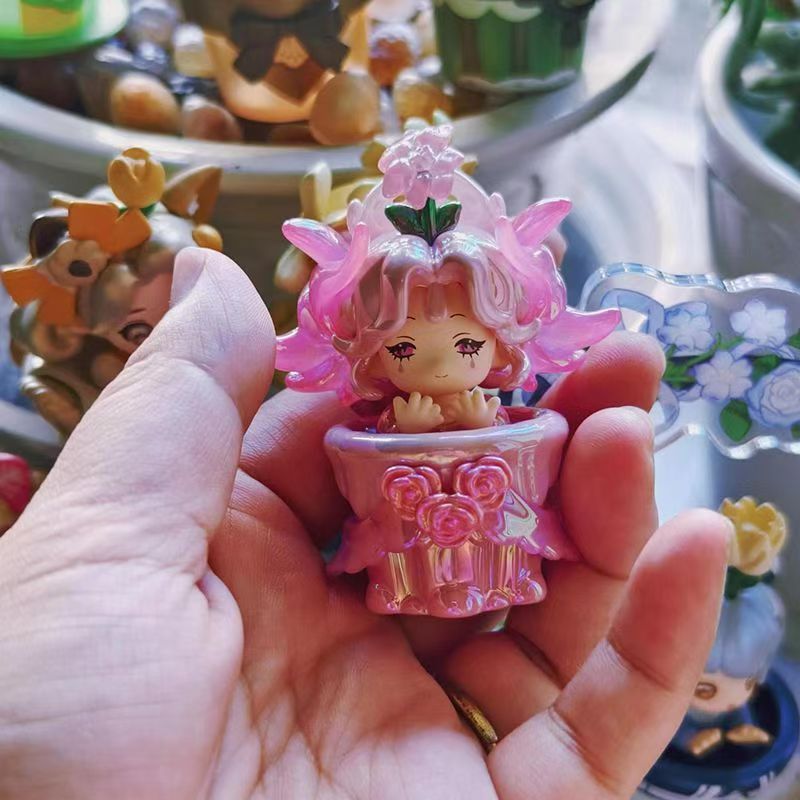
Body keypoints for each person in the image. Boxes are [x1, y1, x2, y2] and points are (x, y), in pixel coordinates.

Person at [0, 247, 732, 799]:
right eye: (407, 349)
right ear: (373, 355)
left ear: (503, 344)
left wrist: (474, 420)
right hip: (401, 575)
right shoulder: (373, 429)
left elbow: (520, 445)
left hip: (499, 570)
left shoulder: (510, 418)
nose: (440, 366)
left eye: (467, 346)